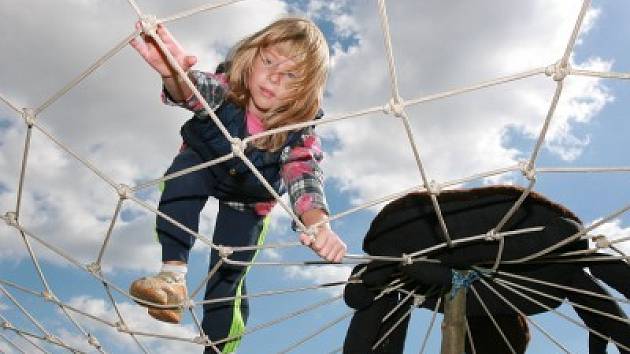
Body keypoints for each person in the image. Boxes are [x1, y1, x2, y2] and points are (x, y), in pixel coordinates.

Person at [128, 17, 346, 353]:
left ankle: (219, 350)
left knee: (227, 276)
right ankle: (172, 278)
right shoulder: (228, 89)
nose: (274, 77)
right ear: (251, 57)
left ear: (303, 89)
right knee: (182, 178)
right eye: (269, 61)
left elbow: (305, 176)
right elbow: (194, 91)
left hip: (250, 199)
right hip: (206, 163)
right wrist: (172, 73)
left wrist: (318, 225)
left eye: (290, 75)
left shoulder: (298, 132)